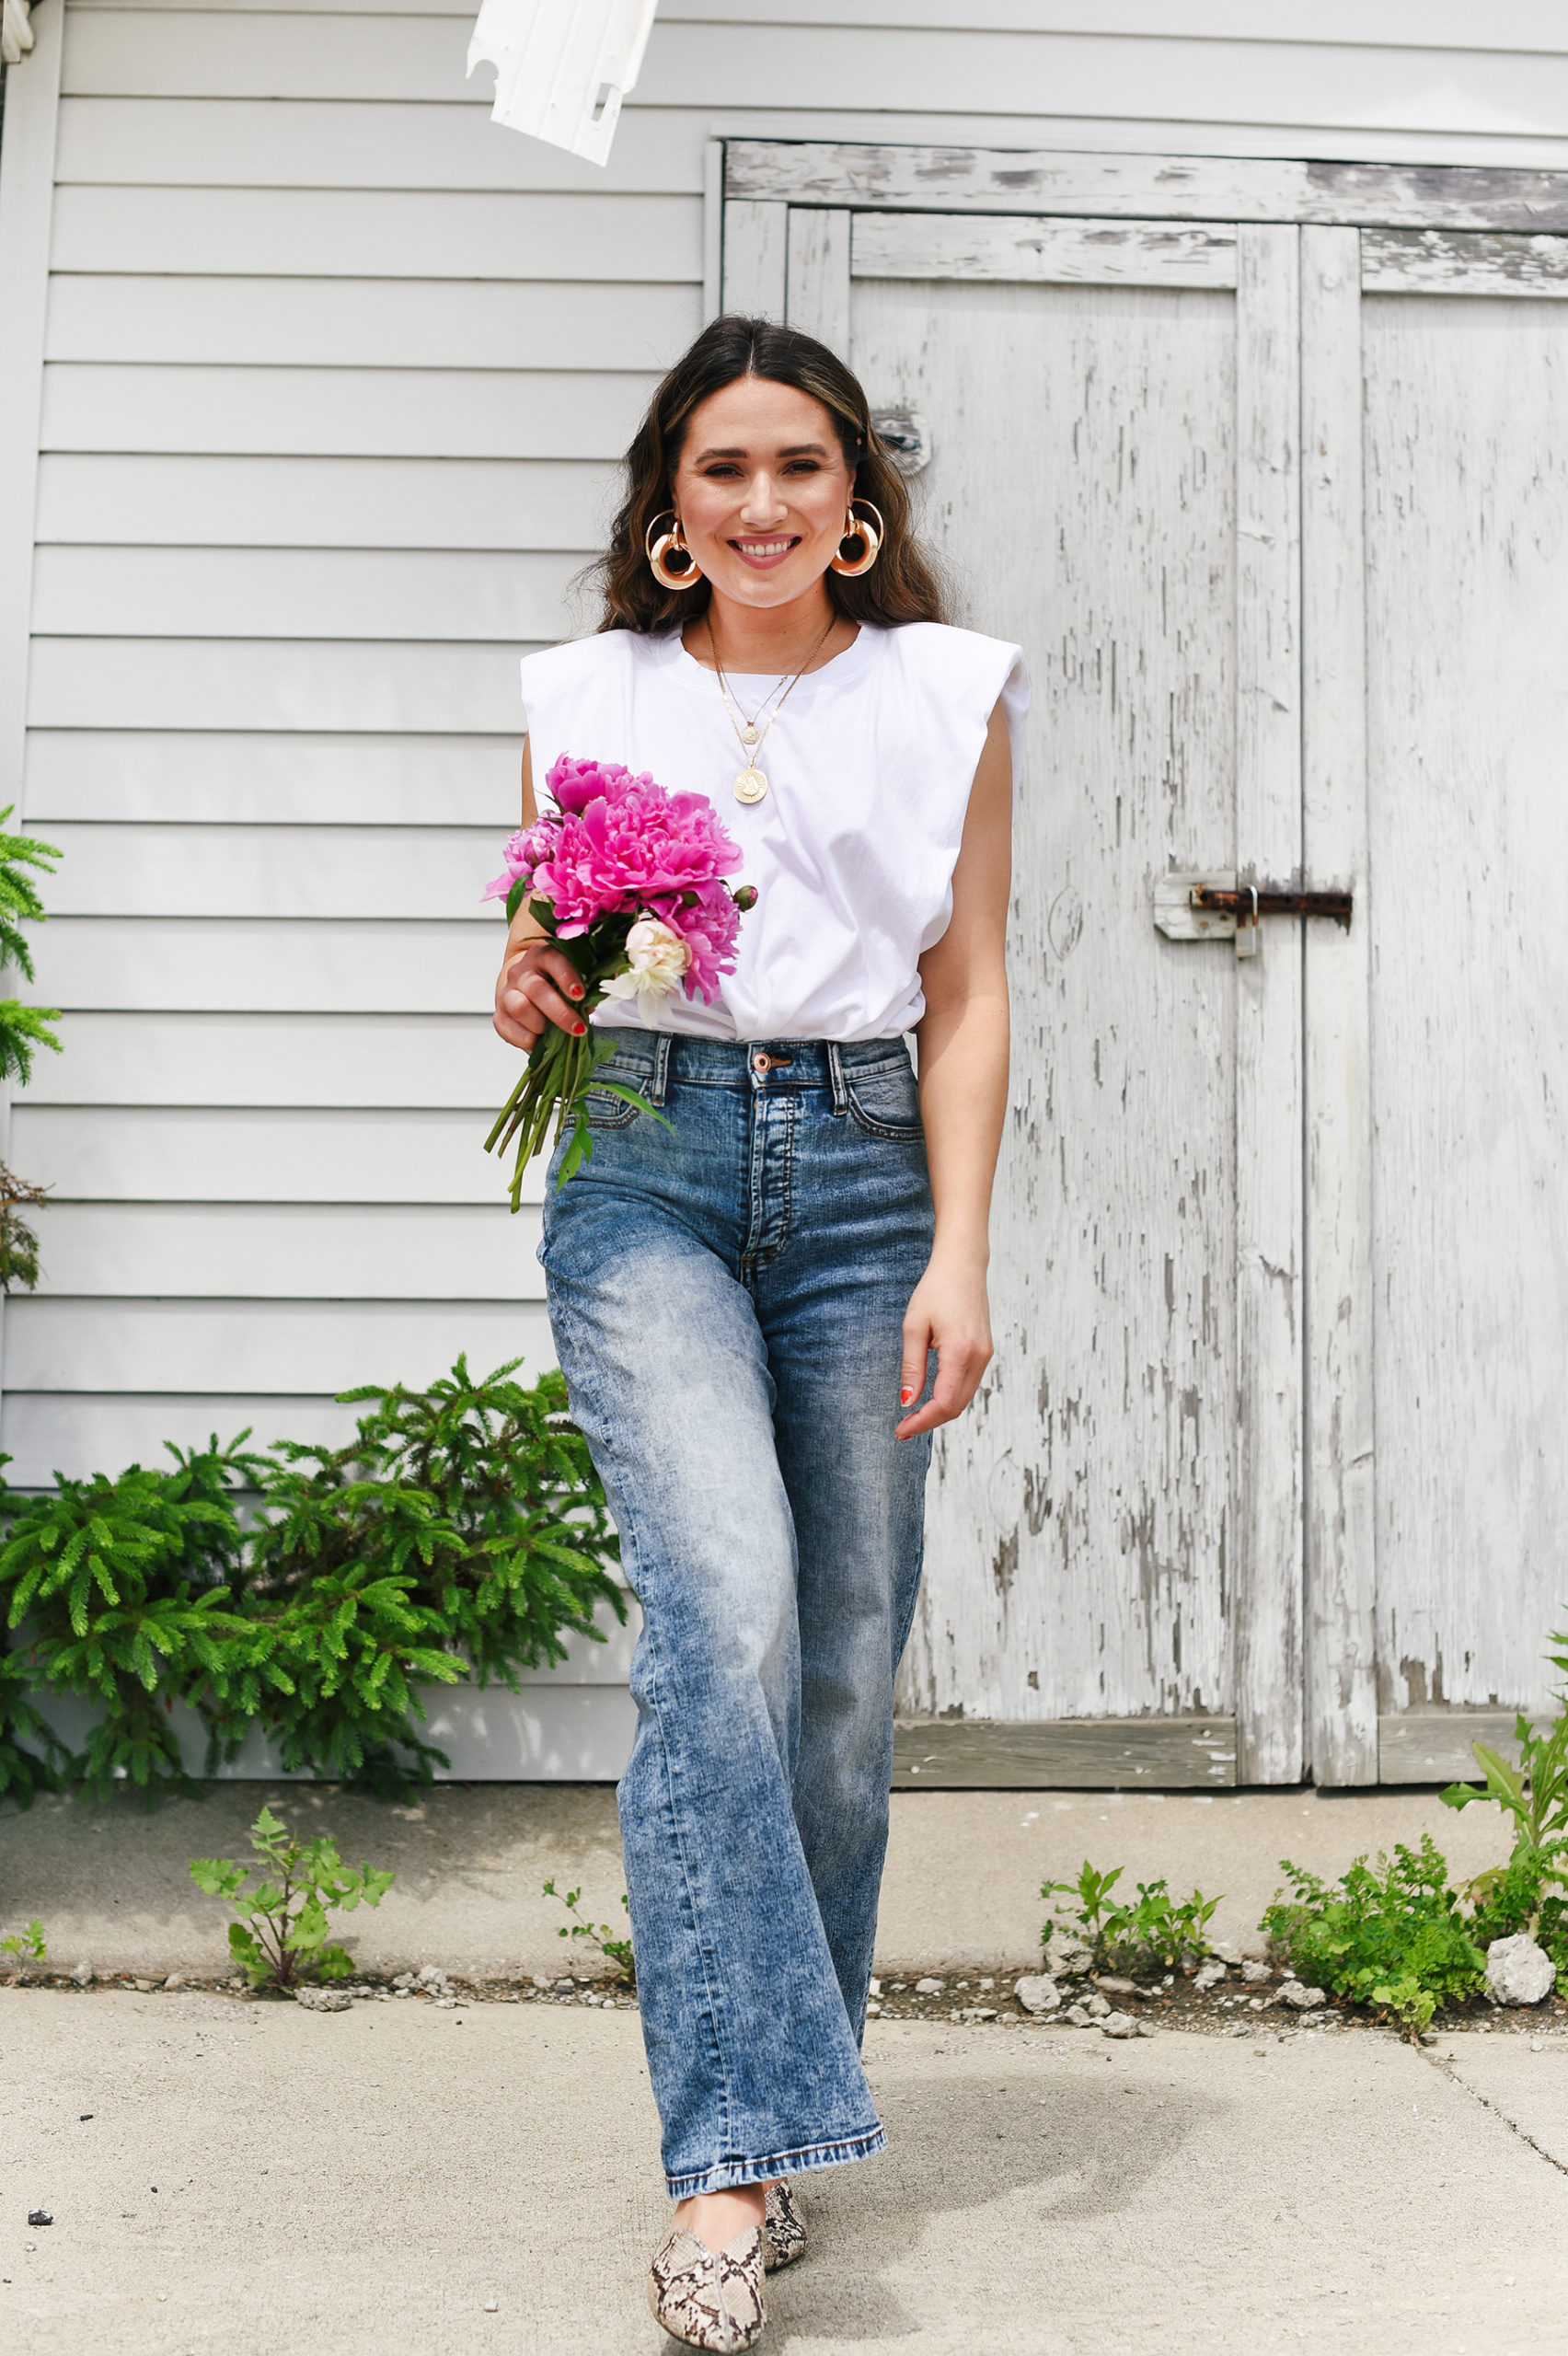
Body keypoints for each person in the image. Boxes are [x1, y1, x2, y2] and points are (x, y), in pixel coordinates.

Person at [492, 316, 1026, 2352]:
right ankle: (720, 2165)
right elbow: (540, 953)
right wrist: (525, 992)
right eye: (722, 469)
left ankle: (775, 2117)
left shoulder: (944, 695)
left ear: (860, 502)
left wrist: (957, 1249)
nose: (763, 503)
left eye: (799, 465)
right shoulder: (581, 692)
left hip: (869, 1171)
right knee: (723, 1610)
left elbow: (967, 992)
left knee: (836, 1666)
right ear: (667, 509)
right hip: (645, 1165)